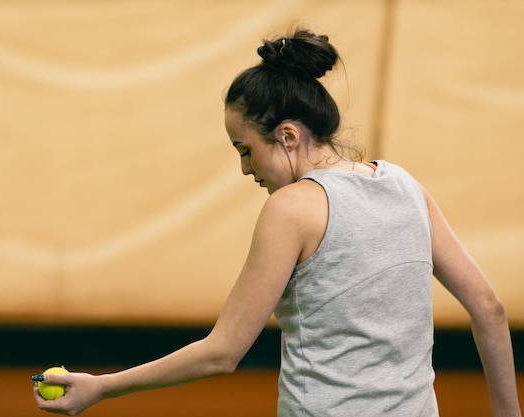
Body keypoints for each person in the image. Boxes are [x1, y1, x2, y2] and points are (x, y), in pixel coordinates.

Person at [32, 28, 521, 416]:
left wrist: (102, 388)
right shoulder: (406, 186)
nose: (246, 169)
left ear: (288, 135)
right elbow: (489, 309)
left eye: (246, 151)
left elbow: (221, 353)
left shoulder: (293, 208)